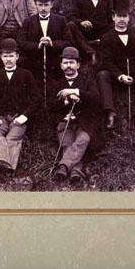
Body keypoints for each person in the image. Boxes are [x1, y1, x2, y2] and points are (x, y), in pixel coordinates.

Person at [0, 38, 41, 178]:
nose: (8, 59)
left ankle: (3, 169)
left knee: (12, 138)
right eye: (5, 56)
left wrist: (24, 116)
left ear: (17, 57)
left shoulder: (26, 75)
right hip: (1, 117)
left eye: (11, 56)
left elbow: (36, 100)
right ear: (1, 57)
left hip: (18, 117)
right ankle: (3, 167)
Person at [96, 0, 135, 132]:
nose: (122, 20)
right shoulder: (107, 37)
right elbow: (107, 61)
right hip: (116, 74)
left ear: (129, 18)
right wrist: (120, 76)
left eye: (124, 16)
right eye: (118, 16)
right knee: (101, 75)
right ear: (113, 17)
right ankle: (110, 113)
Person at [50, 47, 105, 183]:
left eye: (72, 62)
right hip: (65, 123)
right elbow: (50, 106)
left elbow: (96, 99)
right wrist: (67, 100)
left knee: (83, 140)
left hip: (84, 123)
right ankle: (75, 172)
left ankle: (63, 166)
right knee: (67, 144)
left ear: (78, 65)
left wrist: (75, 92)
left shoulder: (87, 81)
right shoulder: (56, 83)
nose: (69, 66)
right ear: (61, 65)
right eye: (66, 63)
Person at [17, 0, 73, 84]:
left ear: (51, 5)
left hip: (55, 60)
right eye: (40, 5)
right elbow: (20, 42)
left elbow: (70, 42)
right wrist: (37, 46)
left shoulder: (61, 20)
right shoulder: (28, 21)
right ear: (35, 5)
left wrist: (52, 44)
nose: (43, 8)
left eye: (46, 5)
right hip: (34, 60)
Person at [67, 0, 113, 65]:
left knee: (115, 25)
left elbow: (110, 18)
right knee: (71, 25)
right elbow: (72, 16)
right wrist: (81, 22)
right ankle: (90, 52)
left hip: (102, 31)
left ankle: (102, 46)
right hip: (86, 31)